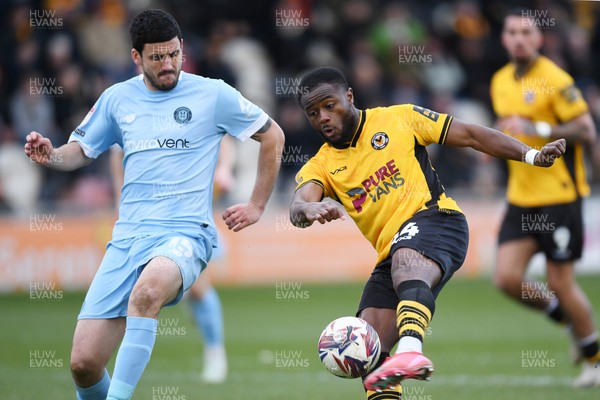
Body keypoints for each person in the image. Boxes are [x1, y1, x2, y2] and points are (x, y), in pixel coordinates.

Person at [24, 9, 284, 400]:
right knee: (84, 363)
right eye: (157, 58)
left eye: (174, 54)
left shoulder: (212, 94)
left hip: (185, 235)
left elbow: (273, 136)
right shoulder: (116, 99)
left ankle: (207, 357)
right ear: (136, 57)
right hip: (127, 240)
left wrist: (257, 205)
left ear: (182, 49)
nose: (168, 65)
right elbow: (81, 150)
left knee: (146, 294)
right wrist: (52, 155)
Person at [289, 66, 565, 399]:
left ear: (349, 97)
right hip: (392, 253)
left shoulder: (400, 118)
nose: (323, 118)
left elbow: (472, 135)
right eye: (313, 113)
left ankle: (410, 350)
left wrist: (533, 155)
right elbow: (298, 204)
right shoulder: (321, 164)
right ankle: (395, 364)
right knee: (369, 348)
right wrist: (308, 209)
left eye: (329, 105)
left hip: (438, 220)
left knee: (406, 260)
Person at [491, 9, 599, 388]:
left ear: (538, 39)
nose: (519, 38)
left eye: (526, 32)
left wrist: (536, 127)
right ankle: (567, 320)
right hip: (521, 196)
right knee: (506, 277)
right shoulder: (499, 81)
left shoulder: (556, 79)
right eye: (512, 32)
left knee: (560, 281)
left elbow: (586, 129)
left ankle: (594, 359)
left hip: (559, 195)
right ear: (504, 39)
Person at [109, 138, 233, 384]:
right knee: (138, 292)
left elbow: (225, 140)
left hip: (187, 216)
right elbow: (117, 156)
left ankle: (215, 353)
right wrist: (119, 198)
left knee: (199, 289)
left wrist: (224, 169)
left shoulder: (189, 104)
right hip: (144, 218)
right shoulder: (130, 109)